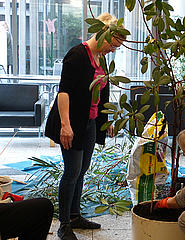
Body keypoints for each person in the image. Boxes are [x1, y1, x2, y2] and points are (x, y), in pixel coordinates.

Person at [45, 13, 125, 240]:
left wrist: (106, 118)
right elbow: (64, 92)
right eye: (113, 44)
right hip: (72, 124)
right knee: (71, 172)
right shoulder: (78, 55)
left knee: (81, 170)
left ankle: (75, 214)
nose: (113, 50)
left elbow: (103, 91)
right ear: (101, 33)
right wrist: (65, 126)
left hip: (89, 123)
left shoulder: (101, 57)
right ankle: (64, 224)